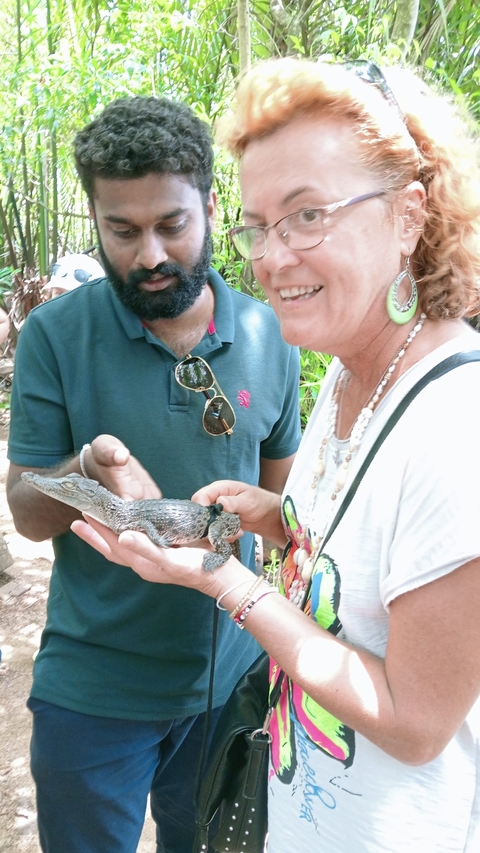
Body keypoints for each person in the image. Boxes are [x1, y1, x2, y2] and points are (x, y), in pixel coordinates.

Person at [73, 60, 480, 852]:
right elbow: (365, 584)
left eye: (307, 216)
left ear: (408, 215)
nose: (271, 257)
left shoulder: (458, 426)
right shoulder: (349, 367)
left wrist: (226, 580)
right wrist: (282, 521)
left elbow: (415, 720)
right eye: (257, 226)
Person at [6, 95, 302, 853]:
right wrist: (86, 467)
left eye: (171, 224)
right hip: (93, 691)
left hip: (230, 677)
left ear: (209, 204)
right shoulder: (54, 337)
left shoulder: (273, 334)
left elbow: (283, 511)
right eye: (123, 230)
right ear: (95, 220)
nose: (150, 255)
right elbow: (28, 513)